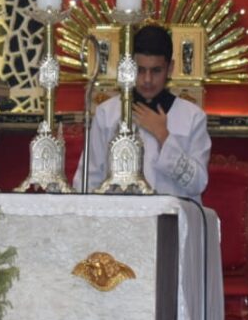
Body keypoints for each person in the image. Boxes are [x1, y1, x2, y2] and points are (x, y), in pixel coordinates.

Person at [73, 24, 211, 202]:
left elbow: (198, 183)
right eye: (140, 70)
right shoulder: (107, 114)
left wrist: (164, 136)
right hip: (117, 221)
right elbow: (88, 179)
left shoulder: (192, 117)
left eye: (156, 71)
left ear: (170, 69)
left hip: (171, 223)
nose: (147, 80)